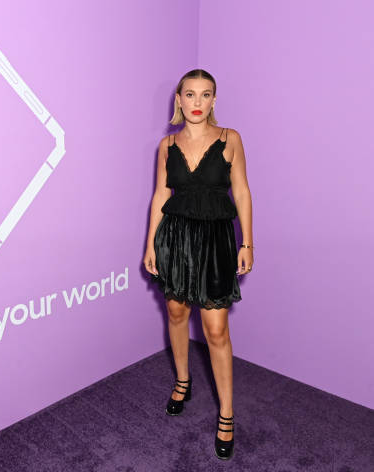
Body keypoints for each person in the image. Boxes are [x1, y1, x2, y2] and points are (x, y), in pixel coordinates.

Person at [143, 69, 254, 461]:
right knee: (176, 313)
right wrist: (151, 244)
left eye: (205, 95)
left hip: (215, 241)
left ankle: (227, 413)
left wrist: (247, 242)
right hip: (174, 238)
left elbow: (242, 191)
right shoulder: (166, 145)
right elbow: (161, 195)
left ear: (214, 101)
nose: (197, 102)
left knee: (216, 330)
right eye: (190, 94)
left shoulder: (230, 139)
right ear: (179, 99)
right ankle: (183, 380)